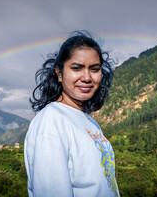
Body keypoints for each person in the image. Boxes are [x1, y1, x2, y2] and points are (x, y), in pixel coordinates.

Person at [24, 30, 120, 197]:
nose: (87, 77)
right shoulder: (51, 122)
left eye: (94, 69)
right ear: (59, 73)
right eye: (77, 68)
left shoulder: (88, 120)